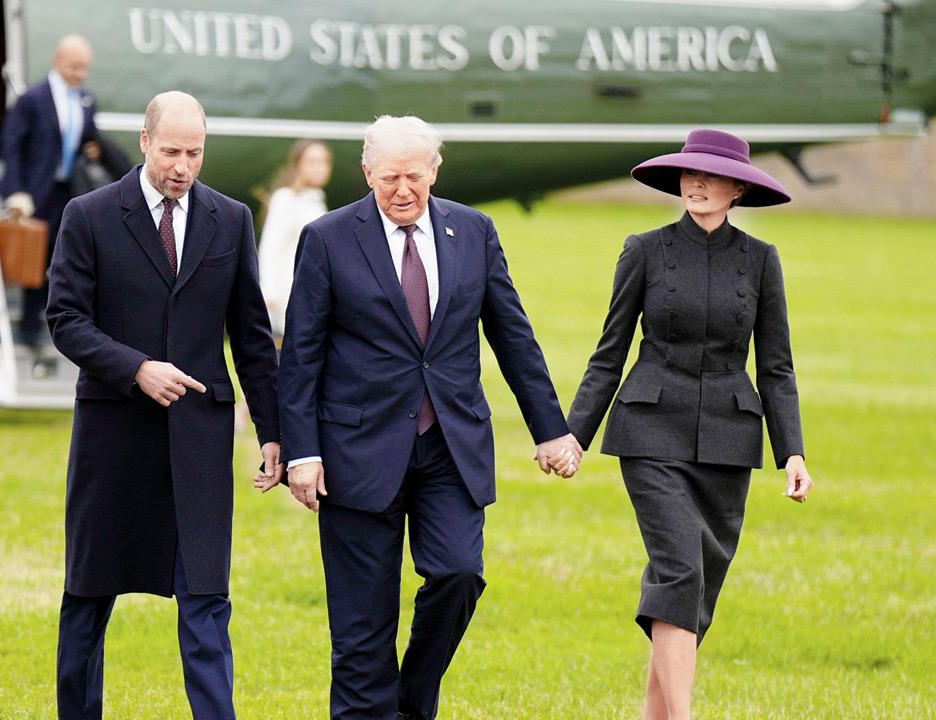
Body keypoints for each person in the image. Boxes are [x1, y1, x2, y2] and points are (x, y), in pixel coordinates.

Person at [275, 115, 582, 720]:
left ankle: (412, 699)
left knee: (459, 575)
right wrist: (301, 454)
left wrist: (550, 428)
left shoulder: (473, 231)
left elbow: (512, 337)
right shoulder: (329, 237)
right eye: (389, 178)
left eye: (414, 176)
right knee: (362, 626)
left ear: (435, 172)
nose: (403, 189)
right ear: (367, 174)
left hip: (450, 446)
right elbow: (301, 354)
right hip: (355, 453)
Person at [46, 91, 281, 720]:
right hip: (112, 437)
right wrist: (137, 368)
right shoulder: (89, 215)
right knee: (89, 596)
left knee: (206, 597)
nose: (183, 165)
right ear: (145, 141)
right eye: (172, 151)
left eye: (195, 153)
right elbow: (64, 319)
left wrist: (272, 430)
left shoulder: (230, 220)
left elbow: (252, 337)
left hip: (200, 440)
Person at [566, 128, 814, 720]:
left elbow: (776, 366)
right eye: (688, 173)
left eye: (710, 175)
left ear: (737, 189)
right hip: (649, 429)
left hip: (730, 438)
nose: (696, 183)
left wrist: (793, 453)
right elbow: (611, 351)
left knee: (697, 587)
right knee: (679, 568)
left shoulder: (761, 261)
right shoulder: (644, 249)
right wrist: (574, 434)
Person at [1, 35, 128, 348]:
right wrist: (17, 191)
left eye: (84, 68)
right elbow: (13, 147)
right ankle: (29, 327)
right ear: (58, 61)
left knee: (63, 259)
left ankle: (57, 324)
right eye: (74, 66)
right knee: (35, 258)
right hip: (37, 192)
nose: (80, 74)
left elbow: (88, 138)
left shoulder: (86, 99)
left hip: (70, 192)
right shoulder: (32, 99)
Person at [257, 139, 332, 342]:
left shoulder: (316, 198)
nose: (319, 168)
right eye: (312, 161)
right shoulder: (285, 198)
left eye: (324, 162)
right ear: (297, 164)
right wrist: (268, 291)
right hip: (285, 294)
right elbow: (270, 246)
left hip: (311, 292)